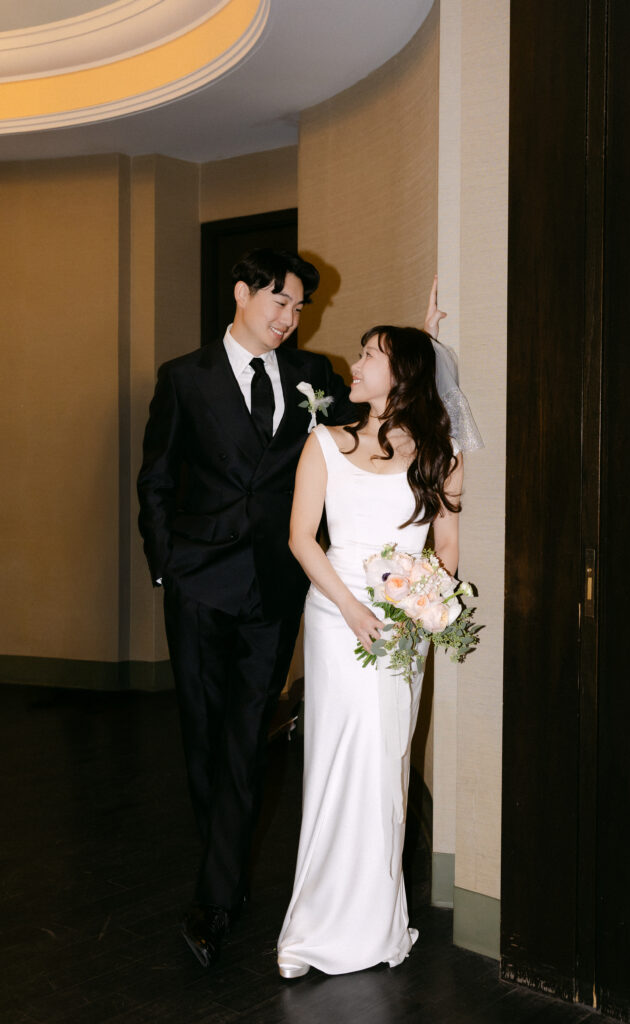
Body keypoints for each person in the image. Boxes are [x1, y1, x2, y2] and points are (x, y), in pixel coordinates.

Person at [137, 249, 353, 968]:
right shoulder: (183, 378)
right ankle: (223, 864)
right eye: (280, 303)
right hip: (200, 580)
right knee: (202, 734)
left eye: (300, 309)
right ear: (241, 293)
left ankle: (215, 897)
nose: (291, 320)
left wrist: (419, 348)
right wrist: (168, 567)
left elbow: (364, 430)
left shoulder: (313, 378)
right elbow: (156, 479)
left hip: (273, 581)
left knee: (244, 732)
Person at [277, 281, 482, 977]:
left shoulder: (436, 452)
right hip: (336, 619)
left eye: (371, 355)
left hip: (399, 629)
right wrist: (354, 609)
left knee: (385, 765)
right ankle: (309, 932)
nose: (356, 364)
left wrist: (413, 606)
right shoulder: (325, 443)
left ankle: (376, 928)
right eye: (362, 353)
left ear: (401, 376)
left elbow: (445, 550)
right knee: (335, 765)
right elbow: (302, 540)